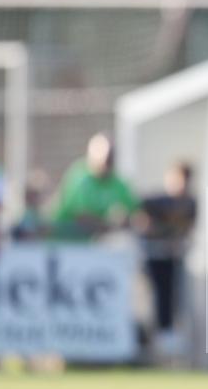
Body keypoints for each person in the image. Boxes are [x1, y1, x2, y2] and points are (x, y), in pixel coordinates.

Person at [134, 161, 197, 355]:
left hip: (174, 258)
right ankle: (152, 339)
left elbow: (187, 228)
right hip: (153, 257)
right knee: (154, 297)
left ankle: (168, 338)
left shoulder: (190, 203)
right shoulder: (155, 201)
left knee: (173, 298)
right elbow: (140, 220)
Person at [52, 133, 138, 240]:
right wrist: (109, 225)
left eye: (110, 158)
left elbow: (134, 213)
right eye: (104, 157)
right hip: (69, 244)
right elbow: (81, 216)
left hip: (99, 247)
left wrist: (125, 219)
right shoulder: (79, 176)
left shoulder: (118, 183)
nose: (107, 162)